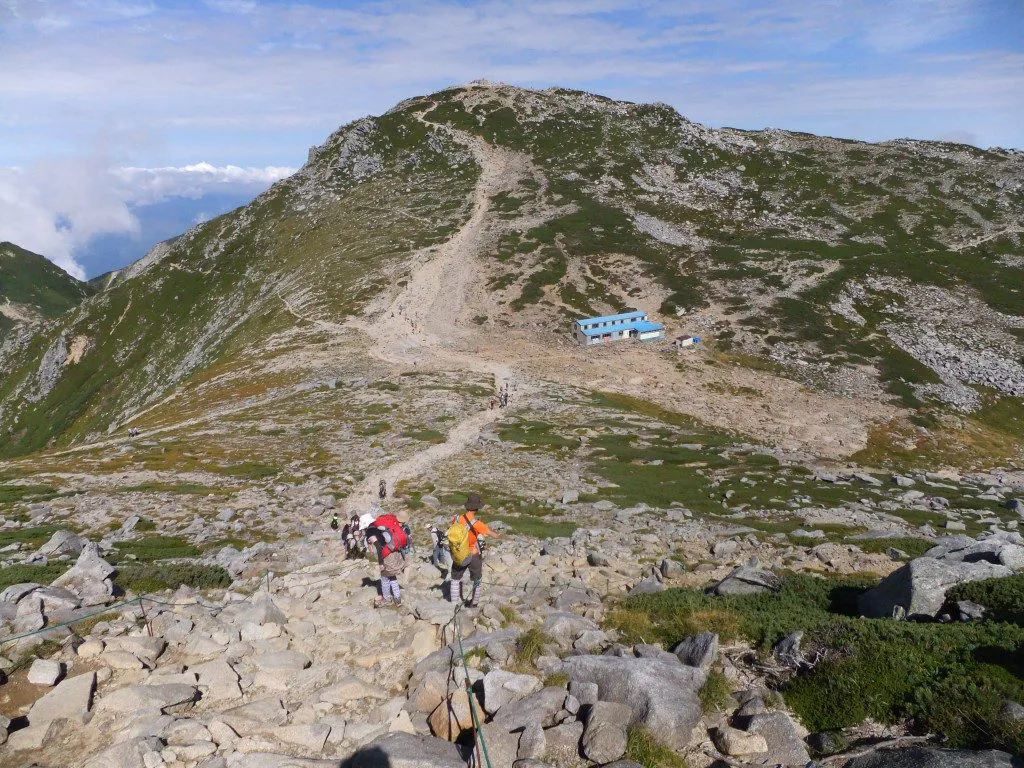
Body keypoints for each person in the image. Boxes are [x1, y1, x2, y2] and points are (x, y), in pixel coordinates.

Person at [446, 493, 498, 608]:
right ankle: (474, 603)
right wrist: (497, 532)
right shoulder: (478, 524)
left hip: (459, 553)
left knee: (455, 578)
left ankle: (453, 604)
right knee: (477, 579)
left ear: (467, 506)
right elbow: (494, 535)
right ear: (477, 508)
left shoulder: (457, 518)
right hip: (473, 553)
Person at [364, 512, 409, 608]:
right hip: (395, 553)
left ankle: (387, 599)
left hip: (387, 556)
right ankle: (397, 599)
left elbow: (379, 548)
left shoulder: (371, 531)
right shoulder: (392, 526)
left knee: (385, 579)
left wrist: (380, 563)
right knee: (393, 577)